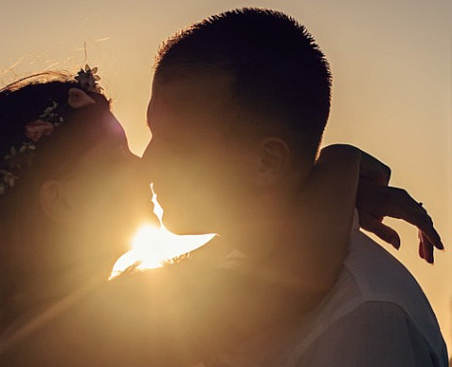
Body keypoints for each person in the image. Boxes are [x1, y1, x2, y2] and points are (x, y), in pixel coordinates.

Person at [142, 8, 448, 366]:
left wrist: (340, 163)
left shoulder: (362, 314)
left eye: (174, 142)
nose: (146, 162)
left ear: (268, 161)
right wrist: (339, 163)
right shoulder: (206, 277)